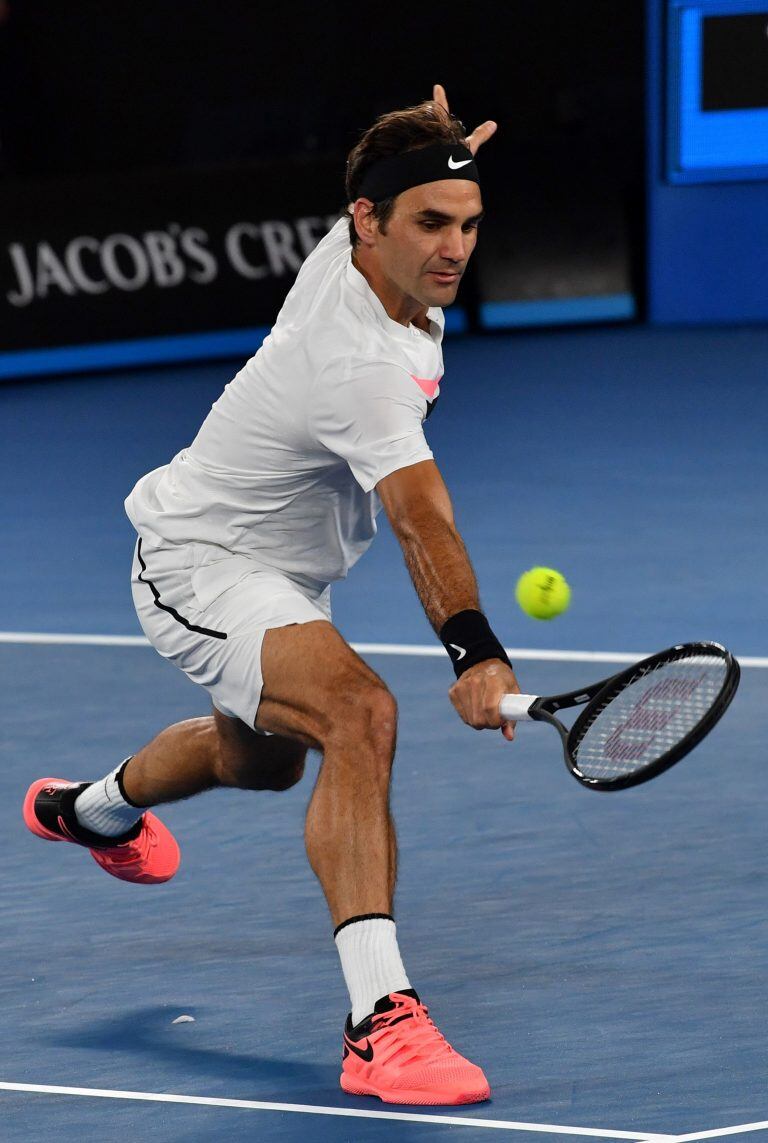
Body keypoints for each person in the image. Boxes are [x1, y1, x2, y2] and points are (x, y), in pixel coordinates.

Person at [24, 84, 521, 1106]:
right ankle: (380, 1022)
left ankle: (88, 811)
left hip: (283, 571)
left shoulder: (360, 251)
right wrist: (475, 651)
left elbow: (398, 188)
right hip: (199, 561)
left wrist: (435, 156)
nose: (455, 248)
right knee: (359, 712)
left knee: (259, 764)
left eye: (469, 224)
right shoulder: (364, 363)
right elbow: (422, 520)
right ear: (367, 225)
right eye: (431, 222)